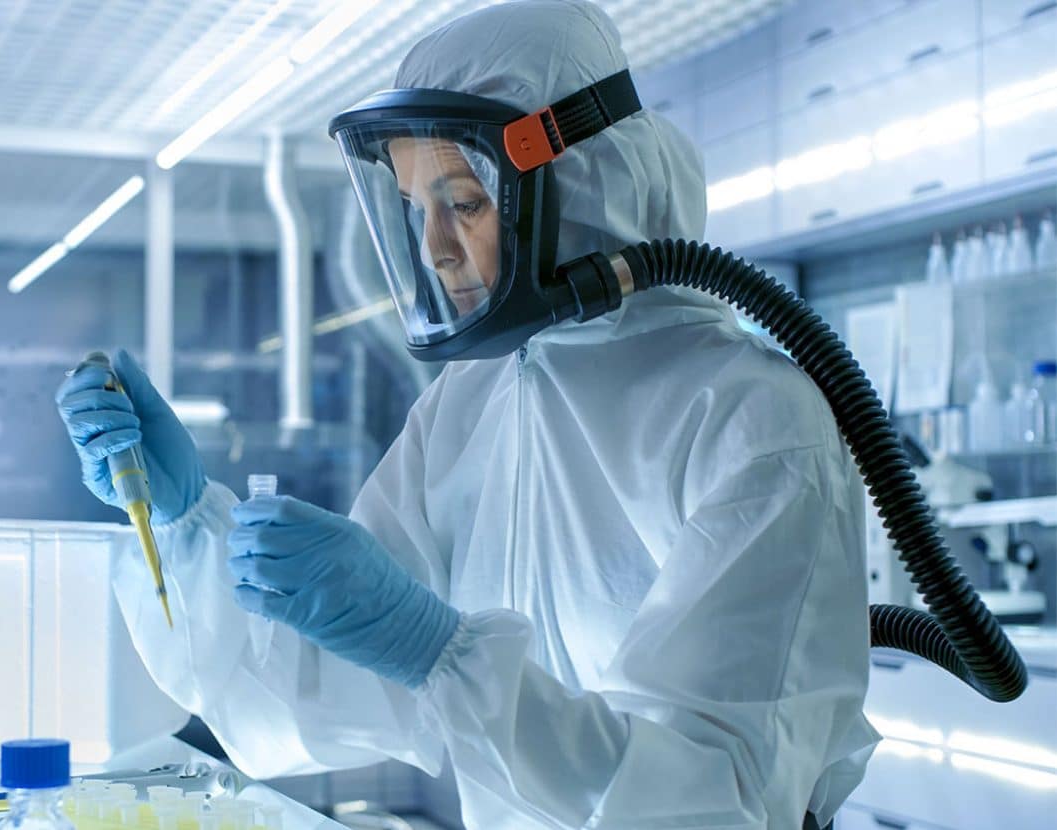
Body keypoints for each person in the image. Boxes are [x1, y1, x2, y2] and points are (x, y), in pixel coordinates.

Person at [56, 2, 879, 828]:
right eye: (418, 208)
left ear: (576, 184)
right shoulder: (474, 401)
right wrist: (184, 522)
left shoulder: (751, 420)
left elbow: (708, 801)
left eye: (465, 204)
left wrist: (438, 651)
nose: (435, 249)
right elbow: (314, 700)